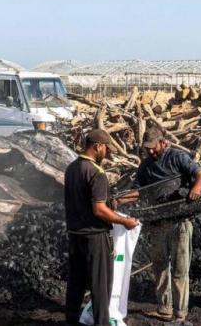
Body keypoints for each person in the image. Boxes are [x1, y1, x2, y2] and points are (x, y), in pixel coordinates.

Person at [128, 127, 201, 323]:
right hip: (157, 221)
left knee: (181, 269)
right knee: (160, 266)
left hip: (179, 220)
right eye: (148, 149)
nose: (151, 152)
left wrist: (196, 188)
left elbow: (200, 174)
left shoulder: (177, 157)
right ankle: (164, 308)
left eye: (154, 147)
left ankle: (180, 312)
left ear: (163, 142)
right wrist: (120, 200)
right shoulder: (146, 166)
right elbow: (139, 190)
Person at [64, 129, 139, 326]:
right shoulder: (97, 173)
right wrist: (125, 222)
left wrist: (117, 202)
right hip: (95, 238)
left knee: (76, 284)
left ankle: (71, 321)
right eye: (106, 148)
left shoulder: (71, 168)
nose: (106, 153)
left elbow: (84, 202)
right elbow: (98, 210)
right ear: (97, 146)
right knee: (100, 288)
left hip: (74, 235)